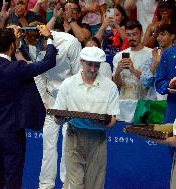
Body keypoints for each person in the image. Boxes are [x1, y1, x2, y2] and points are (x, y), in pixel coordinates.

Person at [0, 26, 57, 189]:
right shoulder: (16, 69)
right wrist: (48, 37)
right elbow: (49, 61)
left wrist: (5, 33)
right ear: (13, 46)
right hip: (11, 132)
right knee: (12, 177)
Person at [54, 46, 120, 189]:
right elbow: (57, 118)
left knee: (95, 185)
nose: (92, 69)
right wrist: (62, 117)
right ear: (81, 62)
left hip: (98, 139)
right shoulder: (68, 84)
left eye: (97, 66)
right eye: (89, 64)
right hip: (74, 136)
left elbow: (113, 122)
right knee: (74, 185)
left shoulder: (110, 87)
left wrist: (102, 121)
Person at [35, 29, 82, 189]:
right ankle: (45, 185)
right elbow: (37, 73)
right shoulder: (29, 43)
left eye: (39, 45)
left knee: (68, 145)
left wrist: (73, 102)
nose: (37, 49)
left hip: (70, 100)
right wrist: (45, 100)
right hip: (51, 99)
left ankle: (67, 184)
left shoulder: (70, 42)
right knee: (48, 145)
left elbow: (78, 74)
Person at [113, 20, 152, 122]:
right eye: (128, 35)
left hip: (144, 104)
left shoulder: (151, 54)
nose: (131, 38)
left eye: (135, 34)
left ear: (141, 34)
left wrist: (133, 70)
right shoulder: (118, 56)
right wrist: (117, 72)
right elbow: (117, 85)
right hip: (123, 105)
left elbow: (151, 82)